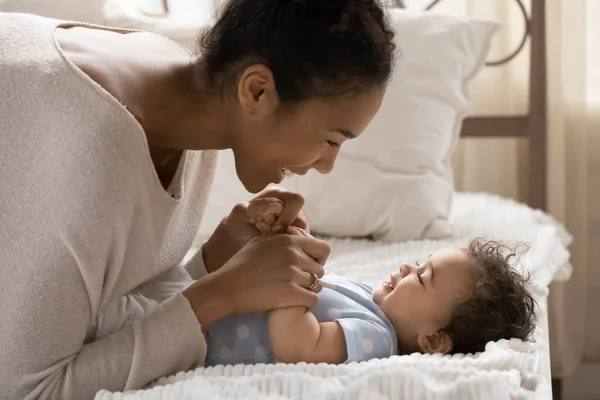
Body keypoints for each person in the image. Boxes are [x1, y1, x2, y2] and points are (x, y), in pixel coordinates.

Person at [0, 0, 396, 398]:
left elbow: (113, 305)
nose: (328, 165)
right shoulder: (94, 153)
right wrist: (224, 293)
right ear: (257, 90)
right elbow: (27, 389)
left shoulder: (187, 97)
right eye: (330, 139)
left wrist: (219, 256)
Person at [96, 197, 537, 366]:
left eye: (422, 279)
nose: (406, 269)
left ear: (433, 340)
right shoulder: (371, 299)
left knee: (104, 318)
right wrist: (287, 242)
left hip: (191, 336)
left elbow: (298, 346)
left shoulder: (376, 339)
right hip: (190, 302)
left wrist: (293, 277)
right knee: (122, 282)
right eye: (419, 263)